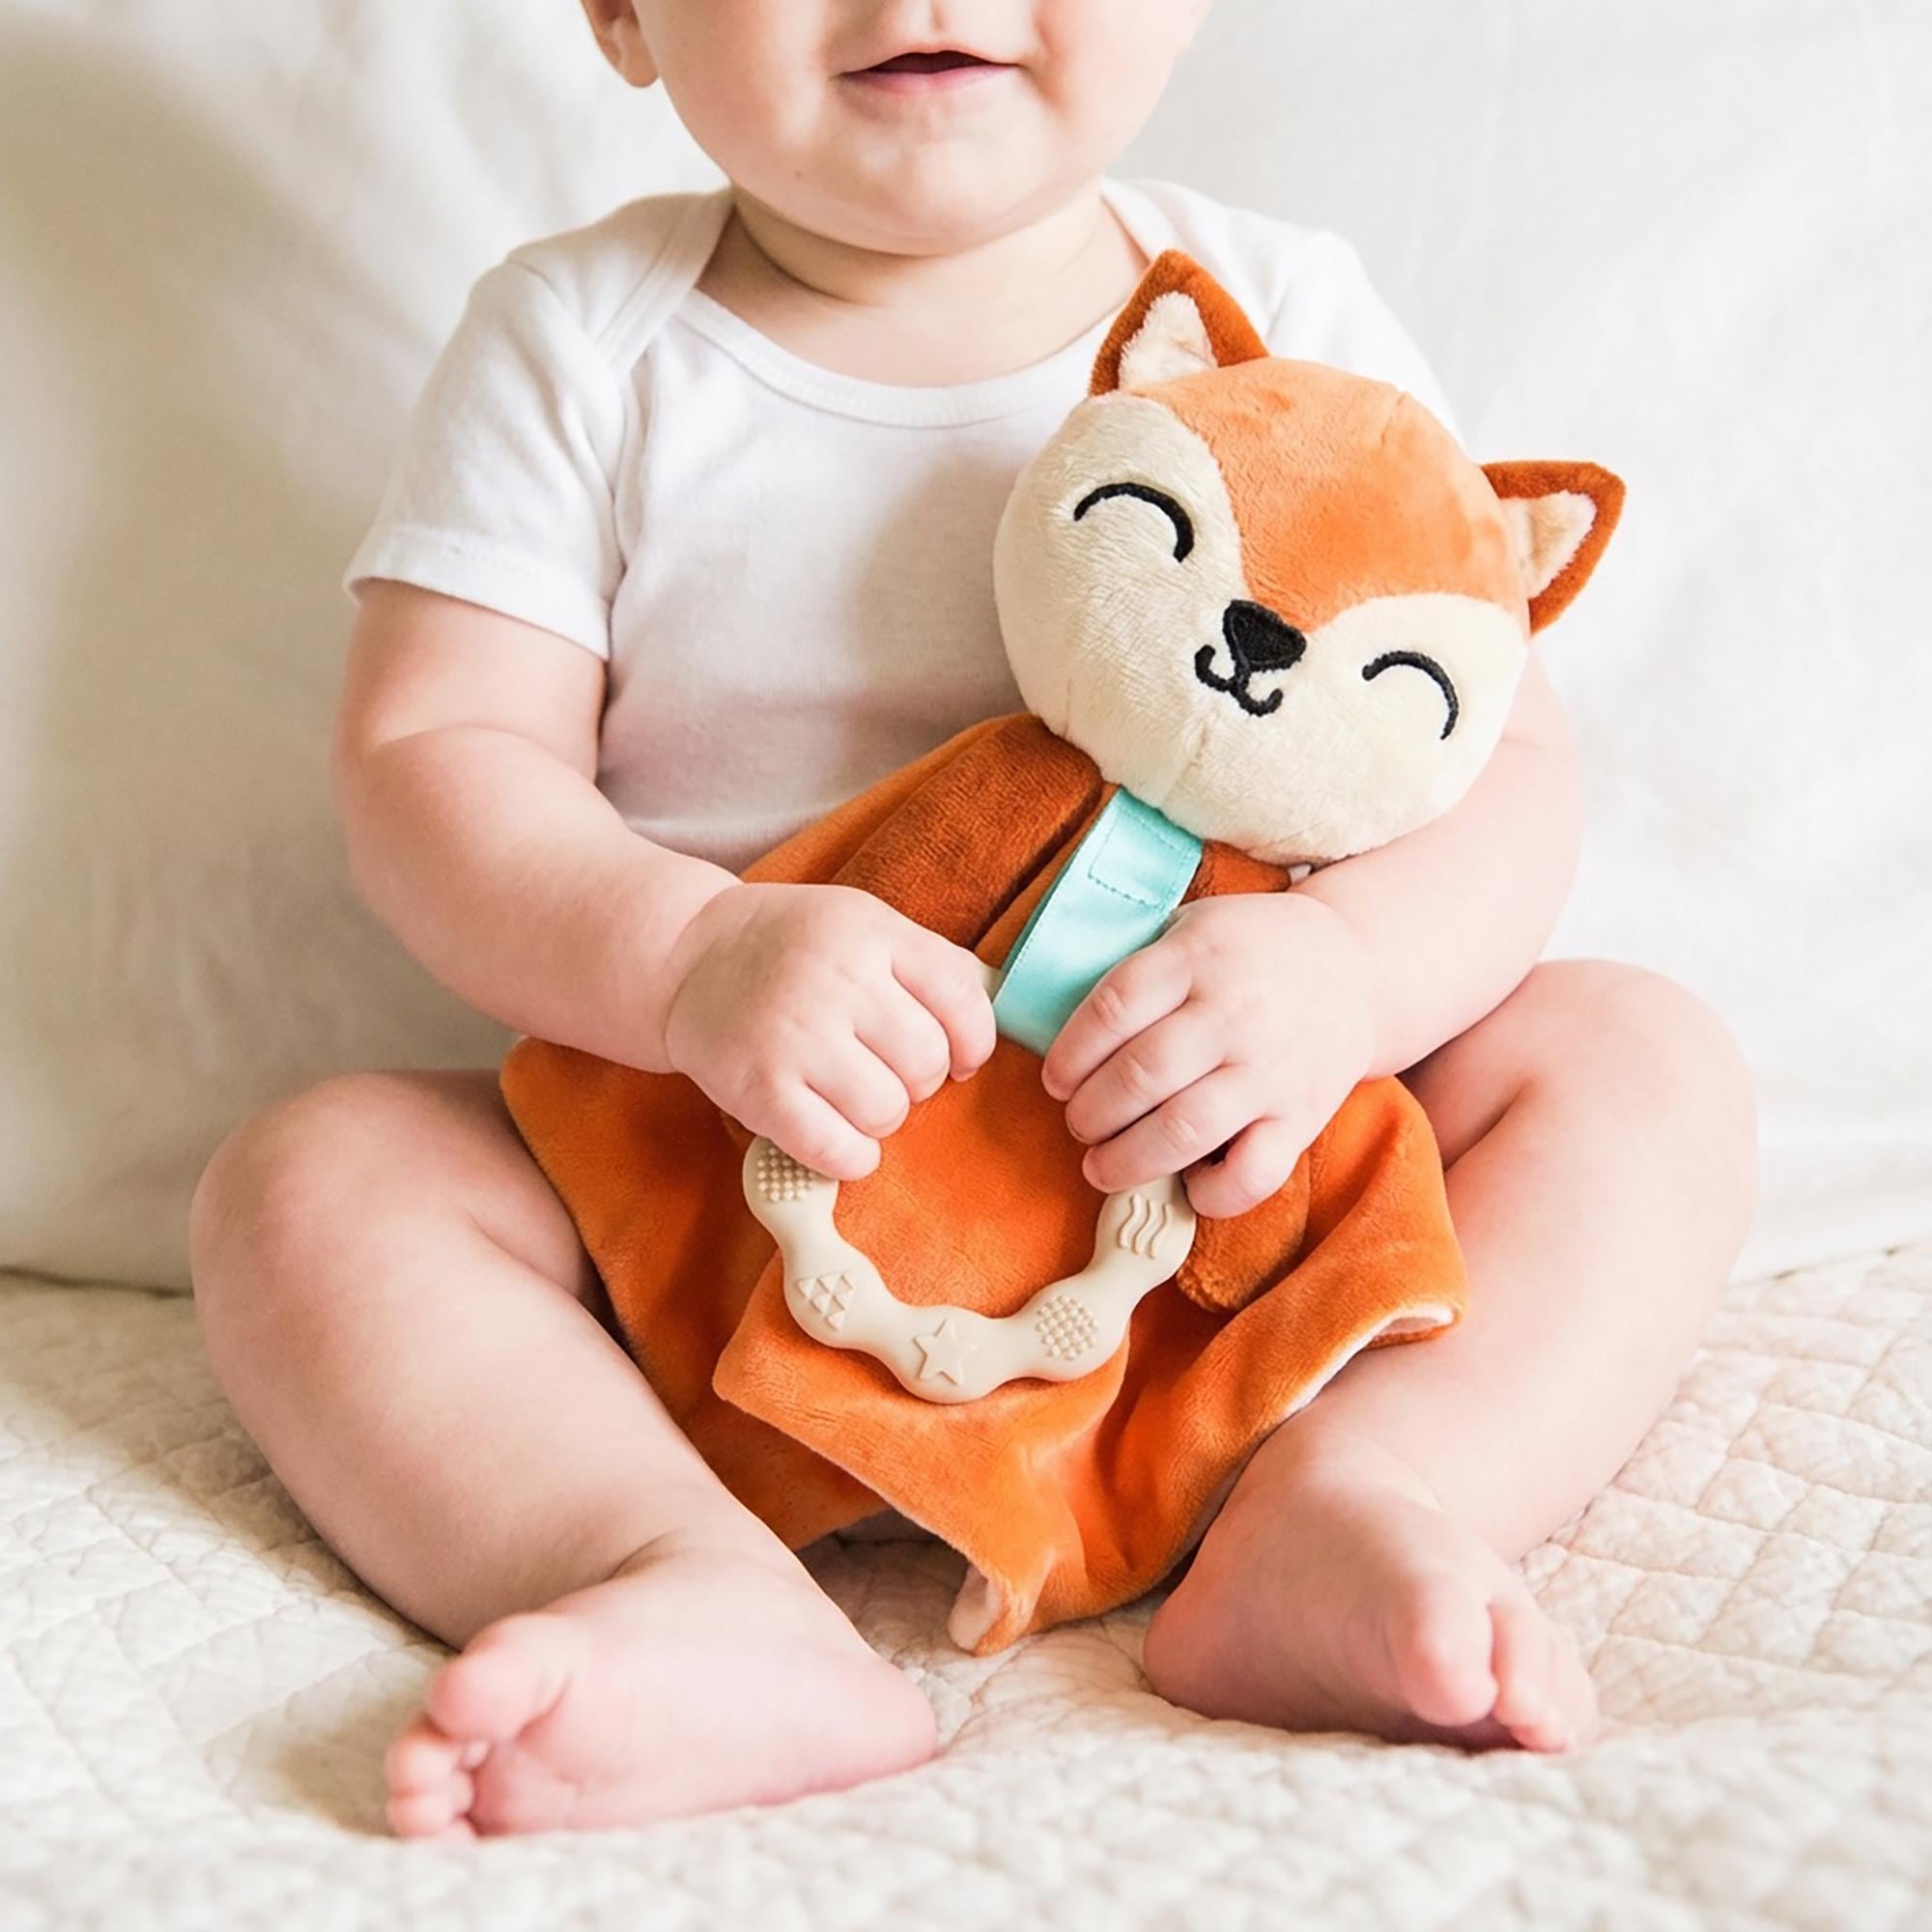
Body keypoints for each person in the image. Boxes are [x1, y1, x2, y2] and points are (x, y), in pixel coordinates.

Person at [188, 0, 1758, 1838]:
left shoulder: (1278, 309)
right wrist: (685, 957)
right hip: (721, 1224)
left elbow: (1498, 748)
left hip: (1216, 1211)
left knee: (1639, 1059)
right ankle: (671, 1571)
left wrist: (1348, 972)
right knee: (316, 1181)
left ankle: (1360, 1500)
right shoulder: (584, 338)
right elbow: (439, 756)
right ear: (619, 14)